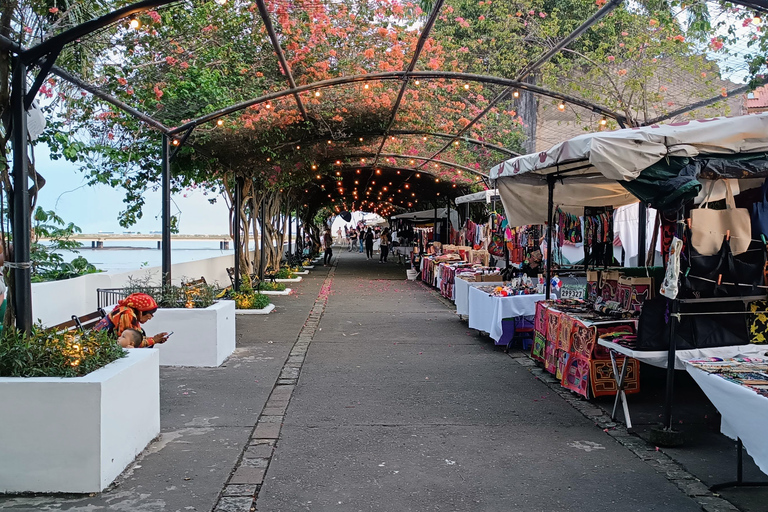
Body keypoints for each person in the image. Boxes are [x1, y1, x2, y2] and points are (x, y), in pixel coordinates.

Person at [95, 293, 170, 347]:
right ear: (141, 311)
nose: (150, 317)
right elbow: (128, 342)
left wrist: (154, 338)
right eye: (150, 313)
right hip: (101, 346)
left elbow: (133, 338)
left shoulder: (128, 311)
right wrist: (153, 340)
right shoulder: (127, 314)